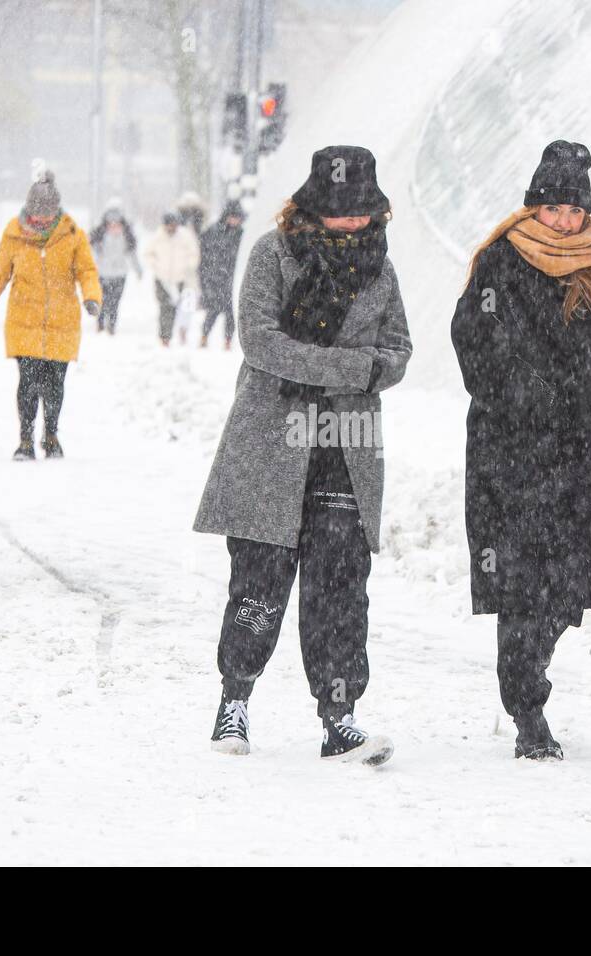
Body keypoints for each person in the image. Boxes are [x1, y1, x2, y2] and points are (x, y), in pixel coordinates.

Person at [450, 140, 591, 760]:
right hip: (511, 452)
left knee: (567, 587)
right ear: (533, 206)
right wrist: (527, 402)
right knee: (524, 582)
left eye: (571, 210)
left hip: (581, 454)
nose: (561, 220)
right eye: (551, 208)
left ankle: (530, 676)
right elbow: (474, 341)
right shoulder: (502, 259)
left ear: (585, 212)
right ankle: (527, 708)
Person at [194, 145, 413, 765]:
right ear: (312, 206)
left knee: (341, 588)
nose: (352, 222)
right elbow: (261, 343)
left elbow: (396, 349)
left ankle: (339, 716)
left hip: (347, 445)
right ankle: (233, 701)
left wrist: (372, 371)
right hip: (271, 439)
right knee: (259, 581)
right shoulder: (272, 254)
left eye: (362, 212)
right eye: (340, 212)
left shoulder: (382, 268)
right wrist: (352, 368)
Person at [0, 170, 102, 460]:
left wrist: (92, 298)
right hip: (24, 323)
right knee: (28, 385)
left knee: (55, 385)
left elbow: (87, 271)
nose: (41, 220)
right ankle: (26, 440)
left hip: (62, 324)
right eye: (37, 214)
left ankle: (51, 435)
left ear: (56, 211)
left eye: (47, 214)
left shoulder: (72, 235)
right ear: (29, 209)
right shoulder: (14, 234)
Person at [142, 211, 200, 346]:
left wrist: (188, 267)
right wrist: (155, 265)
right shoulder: (157, 237)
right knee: (164, 306)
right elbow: (147, 254)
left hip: (180, 279)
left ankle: (175, 333)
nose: (171, 228)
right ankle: (164, 337)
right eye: (169, 225)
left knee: (176, 307)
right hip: (161, 279)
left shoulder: (185, 237)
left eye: (174, 225)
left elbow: (194, 254)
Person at [88, 197, 141, 335]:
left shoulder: (127, 235)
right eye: (110, 220)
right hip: (102, 273)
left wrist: (138, 270)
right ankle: (100, 325)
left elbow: (132, 254)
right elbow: (89, 252)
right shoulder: (98, 235)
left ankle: (111, 326)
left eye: (117, 220)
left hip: (120, 273)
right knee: (102, 300)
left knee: (115, 302)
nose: (113, 223)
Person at [197, 200, 245, 349]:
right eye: (233, 217)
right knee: (214, 309)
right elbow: (204, 255)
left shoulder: (240, 233)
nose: (235, 221)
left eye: (238, 217)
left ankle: (228, 340)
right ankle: (204, 336)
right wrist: (206, 277)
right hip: (214, 277)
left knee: (231, 312)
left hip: (232, 278)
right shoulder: (213, 231)